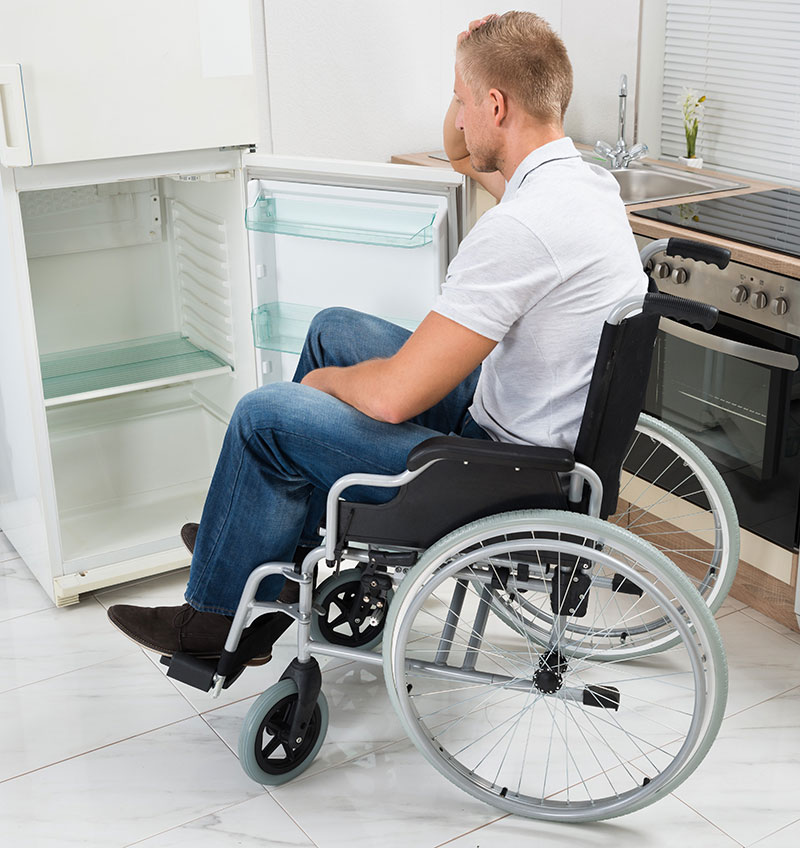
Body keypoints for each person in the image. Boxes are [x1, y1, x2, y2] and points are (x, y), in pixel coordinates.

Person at [107, 11, 647, 664]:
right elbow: (459, 153)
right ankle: (265, 545)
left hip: (498, 475)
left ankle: (216, 624)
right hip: (540, 445)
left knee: (267, 415)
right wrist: (469, 65)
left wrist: (319, 386)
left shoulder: (522, 228)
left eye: (463, 99)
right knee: (336, 327)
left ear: (497, 105)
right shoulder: (585, 186)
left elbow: (393, 399)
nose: (459, 114)